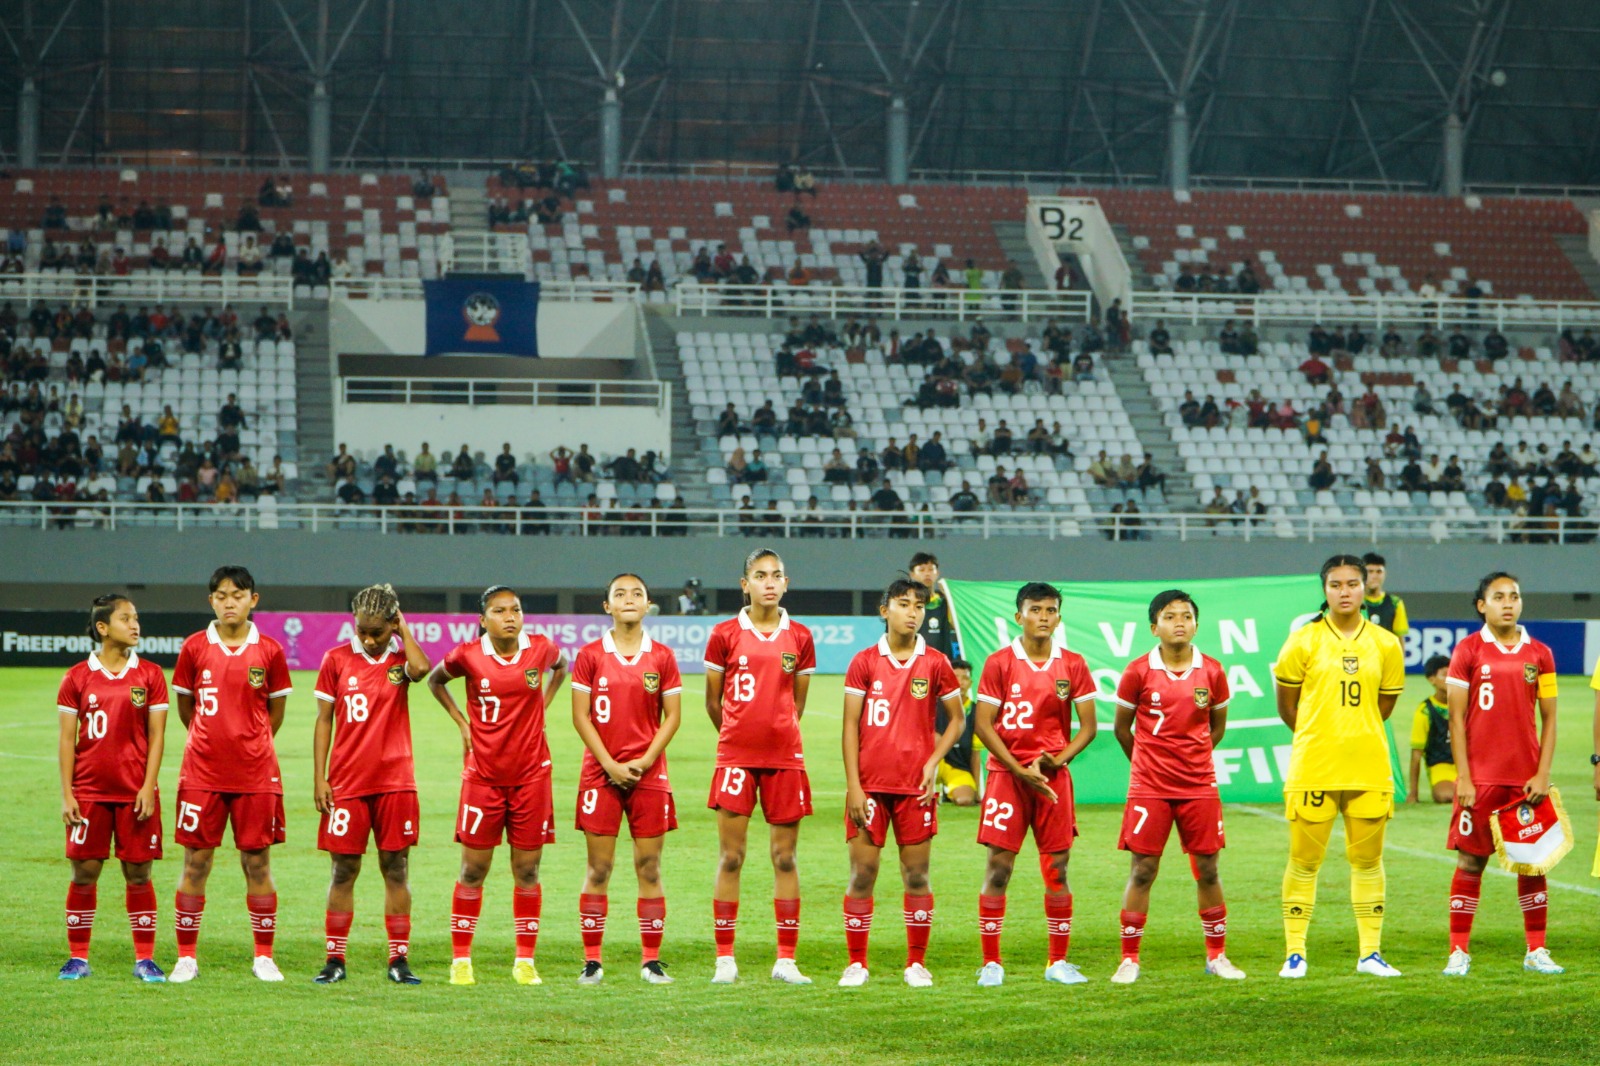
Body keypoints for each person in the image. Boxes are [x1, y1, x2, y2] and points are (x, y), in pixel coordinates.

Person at [425, 585, 568, 987]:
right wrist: (461, 723)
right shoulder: (467, 655)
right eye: (500, 611)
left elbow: (563, 665)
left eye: (516, 610)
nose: (510, 616)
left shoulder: (539, 649)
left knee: (527, 869)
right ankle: (461, 960)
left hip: (531, 777)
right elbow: (436, 681)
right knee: (473, 870)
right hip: (483, 778)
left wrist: (543, 704)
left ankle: (524, 961)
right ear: (483, 618)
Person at [1273, 554, 1405, 980]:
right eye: (1336, 584)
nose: (1344, 591)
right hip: (1314, 767)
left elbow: (1383, 707)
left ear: (1365, 588)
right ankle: (1295, 953)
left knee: (1368, 862)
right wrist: (1322, 736)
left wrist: (1353, 732)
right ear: (1324, 589)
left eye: (1352, 583)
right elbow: (1287, 707)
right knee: (1304, 862)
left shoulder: (1386, 643)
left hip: (1368, 766)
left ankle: (1370, 953)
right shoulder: (1303, 639)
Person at [1109, 590, 1245, 984]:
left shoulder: (1213, 671)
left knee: (1207, 868)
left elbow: (1215, 729)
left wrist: (1191, 760)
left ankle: (1217, 956)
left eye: (1186, 616)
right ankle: (1129, 958)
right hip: (1149, 787)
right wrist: (1148, 765)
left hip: (1199, 785)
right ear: (1155, 627)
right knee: (1143, 870)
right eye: (1170, 617)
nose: (1179, 622)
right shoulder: (1137, 671)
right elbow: (1122, 729)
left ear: (1197, 624)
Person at [169, 566, 294, 983]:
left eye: (237, 595)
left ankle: (264, 956)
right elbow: (187, 710)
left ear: (253, 600)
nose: (229, 602)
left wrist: (248, 742)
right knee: (196, 862)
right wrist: (212, 741)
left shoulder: (271, 651)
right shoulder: (193, 647)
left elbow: (274, 715)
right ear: (211, 601)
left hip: (256, 774)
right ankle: (186, 957)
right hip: (202, 774)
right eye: (221, 595)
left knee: (257, 862)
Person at [838, 579, 965, 988]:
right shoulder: (864, 661)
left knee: (916, 876)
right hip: (870, 787)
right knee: (862, 874)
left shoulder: (936, 663)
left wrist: (933, 762)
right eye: (903, 604)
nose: (913, 612)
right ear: (884, 610)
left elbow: (957, 721)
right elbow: (850, 725)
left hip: (916, 788)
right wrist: (854, 786)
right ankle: (857, 963)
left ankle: (916, 963)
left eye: (919, 606)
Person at [972, 582, 1098, 987]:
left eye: (1051, 610)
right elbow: (983, 725)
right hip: (1008, 777)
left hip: (1053, 779)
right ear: (1018, 616)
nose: (1043, 616)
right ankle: (991, 963)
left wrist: (1057, 760)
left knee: (1057, 869)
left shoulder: (1073, 664)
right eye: (1035, 609)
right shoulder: (999, 662)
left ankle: (1057, 962)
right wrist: (1018, 767)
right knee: (998, 868)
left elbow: (1089, 728)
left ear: (1059, 617)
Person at [703, 548, 817, 986]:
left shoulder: (800, 636)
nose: (769, 583)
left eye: (776, 576)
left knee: (784, 857)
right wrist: (737, 734)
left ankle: (786, 960)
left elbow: (798, 701)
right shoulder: (724, 633)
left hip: (785, 759)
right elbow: (713, 702)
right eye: (760, 575)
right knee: (731, 857)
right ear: (744, 583)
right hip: (735, 756)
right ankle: (725, 959)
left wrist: (777, 733)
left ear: (786, 584)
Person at [1441, 572, 1563, 977]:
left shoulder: (1540, 653)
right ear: (1482, 605)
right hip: (1480, 778)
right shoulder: (1468, 650)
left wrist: (1543, 773)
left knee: (1533, 864)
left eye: (1514, 596)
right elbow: (1456, 719)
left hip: (1525, 780)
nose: (1508, 603)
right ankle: (1458, 952)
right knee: (1471, 862)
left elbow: (1550, 719)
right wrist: (1464, 777)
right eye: (1498, 597)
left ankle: (1537, 950)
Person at [309, 584, 431, 986]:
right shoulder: (336, 659)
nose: (368, 638)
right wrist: (320, 777)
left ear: (392, 624)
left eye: (377, 631)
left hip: (396, 782)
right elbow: (324, 720)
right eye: (362, 629)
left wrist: (404, 632)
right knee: (343, 870)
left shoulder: (400, 657)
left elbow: (422, 669)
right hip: (347, 782)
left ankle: (399, 959)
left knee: (396, 868)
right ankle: (334, 958)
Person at [568, 574, 683, 986]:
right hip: (600, 775)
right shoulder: (589, 655)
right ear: (607, 606)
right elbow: (580, 716)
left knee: (648, 867)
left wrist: (645, 761)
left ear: (648, 603)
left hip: (650, 776)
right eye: (620, 594)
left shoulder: (663, 657)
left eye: (637, 593)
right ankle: (592, 961)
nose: (629, 599)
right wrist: (611, 765)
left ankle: (650, 961)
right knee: (599, 867)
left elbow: (673, 717)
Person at [54, 594, 170, 983]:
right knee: (85, 871)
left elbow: (157, 738)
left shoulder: (151, 674)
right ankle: (78, 958)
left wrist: (148, 785)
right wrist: (68, 793)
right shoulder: (76, 677)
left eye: (136, 617)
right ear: (103, 627)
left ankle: (145, 959)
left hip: (135, 792)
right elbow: (67, 739)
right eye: (126, 618)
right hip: (88, 792)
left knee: (139, 872)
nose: (135, 625)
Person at [1406, 656, 1455, 806]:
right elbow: (1416, 754)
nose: (1450, 679)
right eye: (1445, 675)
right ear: (1431, 679)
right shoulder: (1425, 711)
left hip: (1467, 765)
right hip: (1441, 766)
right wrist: (1413, 793)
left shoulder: (1466, 704)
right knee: (1446, 795)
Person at [935, 659, 984, 807]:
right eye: (956, 677)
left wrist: (977, 790)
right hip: (931, 766)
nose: (960, 682)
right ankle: (932, 787)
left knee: (965, 800)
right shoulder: (933, 705)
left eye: (965, 678)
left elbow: (975, 755)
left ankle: (949, 790)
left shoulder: (976, 712)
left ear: (970, 683)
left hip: (958, 768)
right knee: (934, 738)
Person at [908, 551, 956, 660]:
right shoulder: (906, 604)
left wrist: (949, 596)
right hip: (913, 665)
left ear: (937, 573)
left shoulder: (944, 602)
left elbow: (955, 625)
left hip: (941, 665)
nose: (927, 573)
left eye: (931, 569)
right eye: (921, 570)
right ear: (912, 574)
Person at [1360, 552, 1409, 640]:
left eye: (1379, 572)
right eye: (1370, 572)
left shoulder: (1395, 603)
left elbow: (1399, 638)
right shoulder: (1354, 602)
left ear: (1384, 574)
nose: (1374, 576)